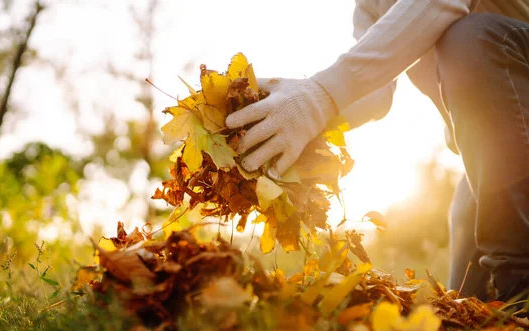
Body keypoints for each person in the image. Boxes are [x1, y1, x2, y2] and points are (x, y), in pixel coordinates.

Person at [225, 0, 529, 302]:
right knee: (470, 302)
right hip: (491, 164)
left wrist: (320, 95)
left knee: (471, 38)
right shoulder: (370, 5)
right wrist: (288, 113)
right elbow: (375, 95)